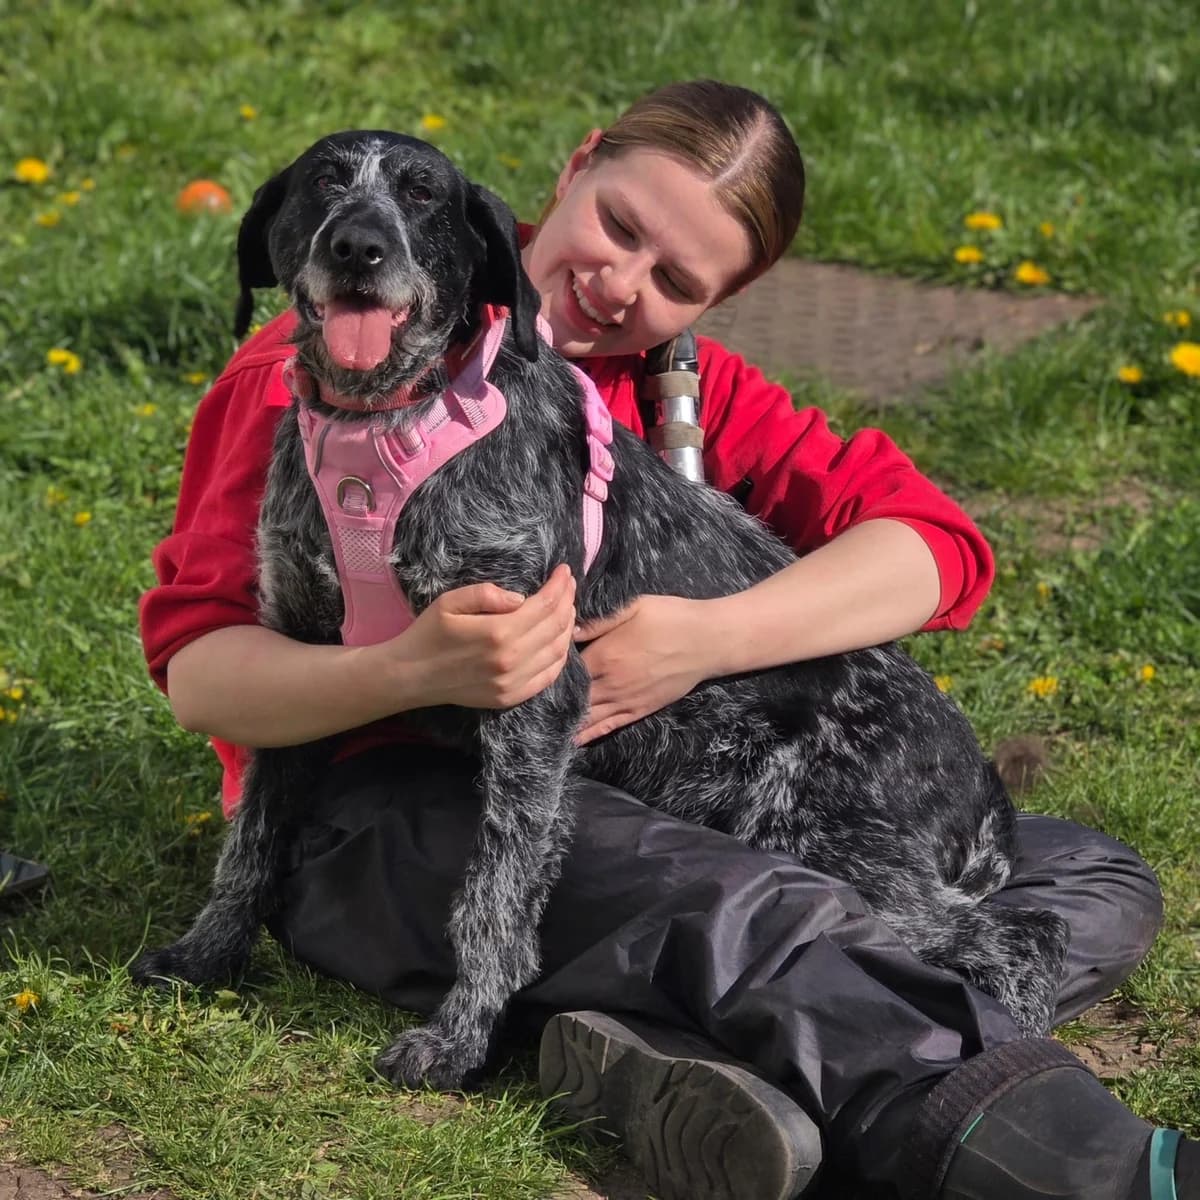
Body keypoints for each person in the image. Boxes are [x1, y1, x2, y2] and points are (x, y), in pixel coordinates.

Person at [139, 80, 1196, 1200]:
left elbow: (939, 548)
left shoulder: (676, 383)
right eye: (620, 224)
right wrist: (408, 670)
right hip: (386, 821)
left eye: (677, 283)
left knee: (1092, 870)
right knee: (755, 906)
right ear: (576, 167)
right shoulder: (307, 383)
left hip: (621, 803)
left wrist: (704, 637)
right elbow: (203, 675)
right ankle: (1085, 1167)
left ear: (717, 305)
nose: (618, 283)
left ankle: (704, 1049)